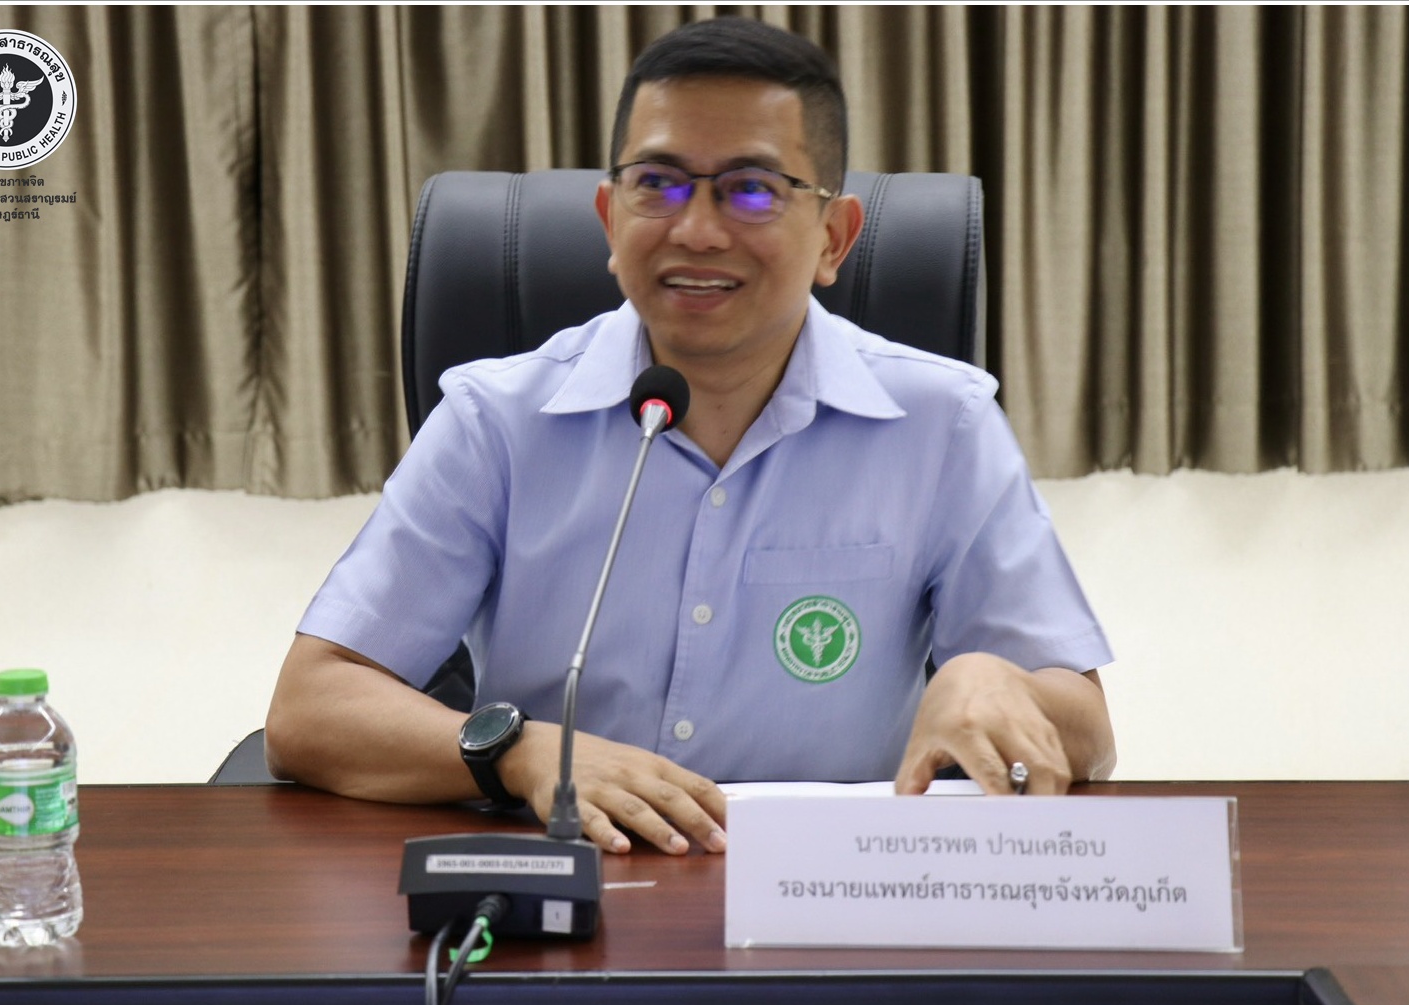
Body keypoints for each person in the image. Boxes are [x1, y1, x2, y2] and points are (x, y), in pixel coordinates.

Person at [265, 17, 1115, 857]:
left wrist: (990, 679)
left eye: (752, 189)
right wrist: (522, 751)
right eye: (658, 184)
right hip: (569, 881)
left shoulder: (941, 424)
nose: (697, 230)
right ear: (609, 219)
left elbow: (1087, 733)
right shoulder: (497, 420)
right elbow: (311, 708)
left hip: (823, 893)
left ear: (832, 237)